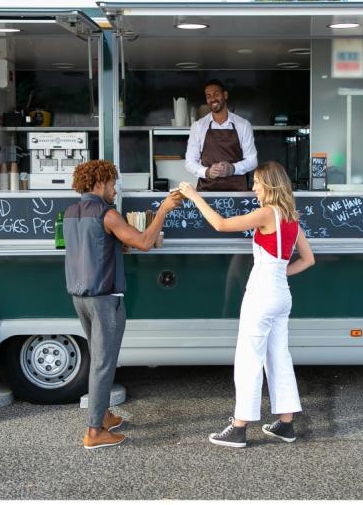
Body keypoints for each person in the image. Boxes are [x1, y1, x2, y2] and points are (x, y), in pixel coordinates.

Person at [178, 161, 315, 448]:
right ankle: (285, 425)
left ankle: (239, 427)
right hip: (281, 293)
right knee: (279, 357)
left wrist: (194, 196)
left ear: (269, 184)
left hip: (262, 294)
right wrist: (280, 272)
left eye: (256, 182)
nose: (253, 188)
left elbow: (220, 224)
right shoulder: (291, 217)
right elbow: (308, 260)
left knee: (248, 359)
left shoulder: (266, 213)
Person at [64, 160, 181, 449]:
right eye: (112, 183)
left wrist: (117, 246)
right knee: (104, 363)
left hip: (80, 297)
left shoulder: (70, 213)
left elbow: (92, 248)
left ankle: (102, 415)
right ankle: (94, 432)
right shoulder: (107, 213)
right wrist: (163, 211)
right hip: (105, 298)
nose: (115, 189)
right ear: (99, 183)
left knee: (99, 359)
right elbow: (143, 241)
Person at [184, 79, 258, 191]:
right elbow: (190, 162)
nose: (212, 99)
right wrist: (207, 172)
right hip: (207, 193)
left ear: (225, 95)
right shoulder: (198, 126)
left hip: (237, 193)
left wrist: (233, 168)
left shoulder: (243, 125)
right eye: (208, 96)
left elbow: (252, 160)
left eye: (216, 94)